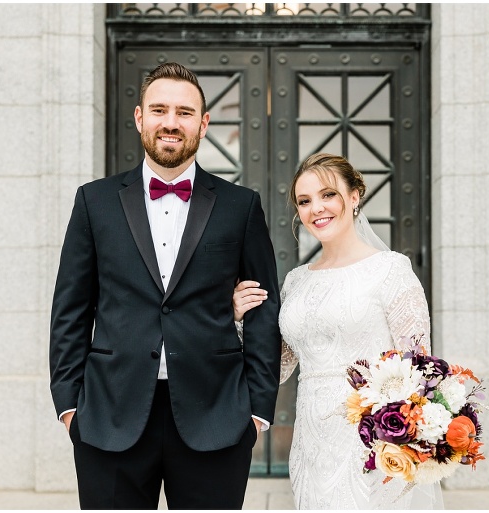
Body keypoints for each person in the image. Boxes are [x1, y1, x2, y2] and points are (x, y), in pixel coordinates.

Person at [49, 62, 282, 510]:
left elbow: (263, 310)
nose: (171, 122)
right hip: (107, 414)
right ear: (139, 117)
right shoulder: (93, 201)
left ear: (203, 123)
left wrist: (256, 411)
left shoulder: (241, 206)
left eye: (184, 112)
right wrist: (69, 406)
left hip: (216, 415)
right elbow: (70, 309)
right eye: (159, 110)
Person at [233, 153, 444, 509]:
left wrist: (404, 437)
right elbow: (278, 366)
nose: (316, 208)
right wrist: (237, 317)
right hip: (311, 441)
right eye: (305, 201)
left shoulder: (391, 270)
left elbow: (421, 369)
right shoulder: (296, 281)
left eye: (328, 194)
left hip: (373, 438)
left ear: (355, 196)